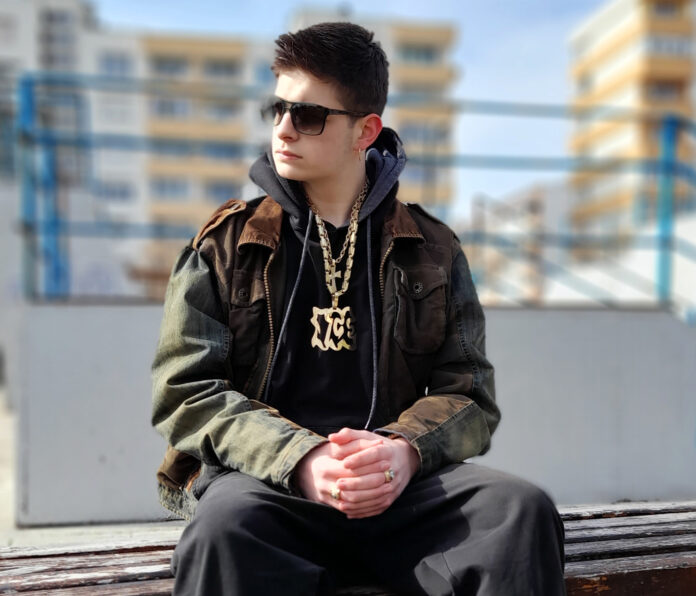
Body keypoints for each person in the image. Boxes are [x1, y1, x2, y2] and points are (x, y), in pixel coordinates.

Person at [151, 21, 566, 596]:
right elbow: (185, 393)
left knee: (520, 511)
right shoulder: (224, 245)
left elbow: (469, 395)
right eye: (277, 109)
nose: (283, 128)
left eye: (308, 115)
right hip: (270, 490)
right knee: (224, 528)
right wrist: (302, 459)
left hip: (399, 491)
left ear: (365, 130)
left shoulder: (433, 249)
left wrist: (404, 452)